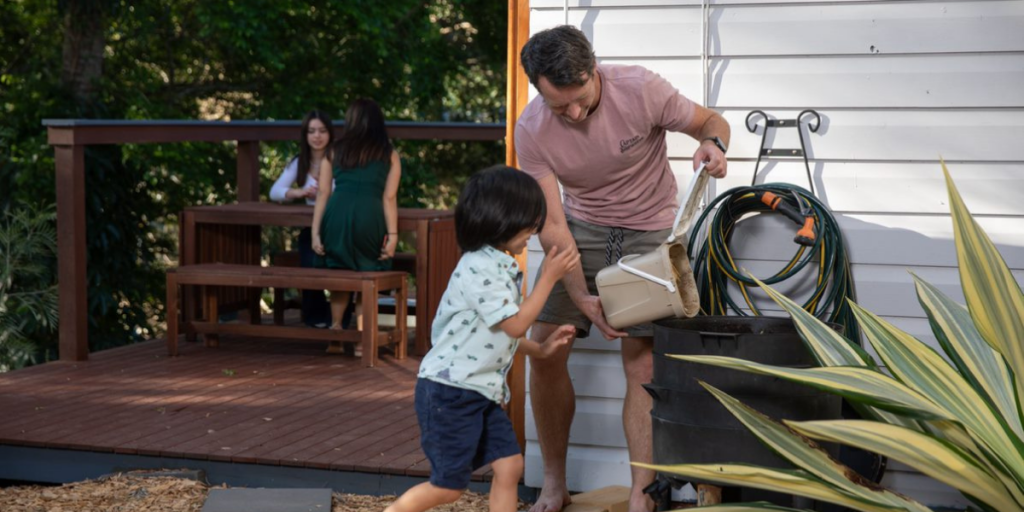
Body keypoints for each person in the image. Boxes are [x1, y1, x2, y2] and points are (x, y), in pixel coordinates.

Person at [514, 25, 731, 512]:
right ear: (539, 92)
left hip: (649, 234)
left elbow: (710, 121)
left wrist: (714, 146)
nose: (573, 113)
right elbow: (552, 223)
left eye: (581, 99)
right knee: (546, 350)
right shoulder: (531, 129)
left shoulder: (640, 89)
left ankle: (642, 493)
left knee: (642, 362)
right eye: (559, 106)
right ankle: (552, 483)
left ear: (594, 70)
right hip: (579, 230)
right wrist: (582, 296)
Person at [384, 165, 581, 512]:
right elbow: (516, 325)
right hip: (451, 393)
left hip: (480, 393)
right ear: (501, 219)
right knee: (448, 487)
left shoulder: (499, 264)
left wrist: (542, 349)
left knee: (510, 466)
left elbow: (497, 334)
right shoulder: (479, 268)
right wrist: (549, 278)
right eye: (529, 223)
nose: (533, 232)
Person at [311, 99, 401, 353]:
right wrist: (392, 236)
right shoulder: (389, 154)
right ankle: (363, 340)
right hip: (370, 218)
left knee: (340, 276)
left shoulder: (334, 151)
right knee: (366, 276)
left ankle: (337, 333)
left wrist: (316, 232)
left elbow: (323, 193)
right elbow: (389, 197)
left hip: (337, 217)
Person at [268, 109, 334, 328]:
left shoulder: (339, 159)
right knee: (307, 257)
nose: (317, 136)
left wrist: (326, 193)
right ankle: (315, 316)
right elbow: (275, 191)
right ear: (305, 135)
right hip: (311, 226)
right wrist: (298, 193)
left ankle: (336, 315)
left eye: (322, 131)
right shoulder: (300, 162)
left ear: (330, 134)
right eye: (312, 131)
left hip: (335, 223)